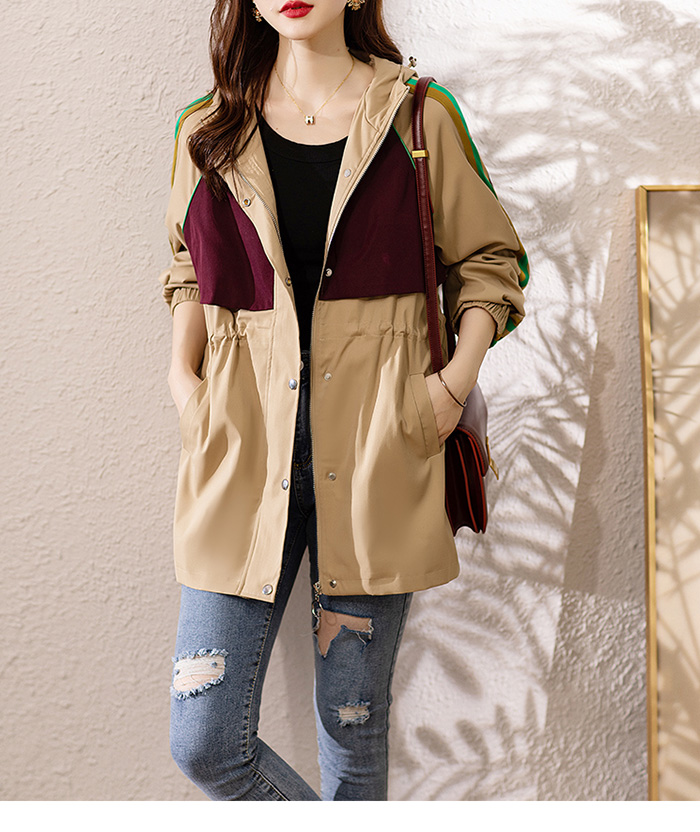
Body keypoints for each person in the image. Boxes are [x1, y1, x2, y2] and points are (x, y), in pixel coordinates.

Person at [158, 0, 528, 801]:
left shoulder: (418, 118)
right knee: (206, 741)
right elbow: (188, 267)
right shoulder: (207, 128)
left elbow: (491, 265)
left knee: (351, 726)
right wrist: (183, 380)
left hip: (378, 448)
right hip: (241, 447)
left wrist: (450, 388)